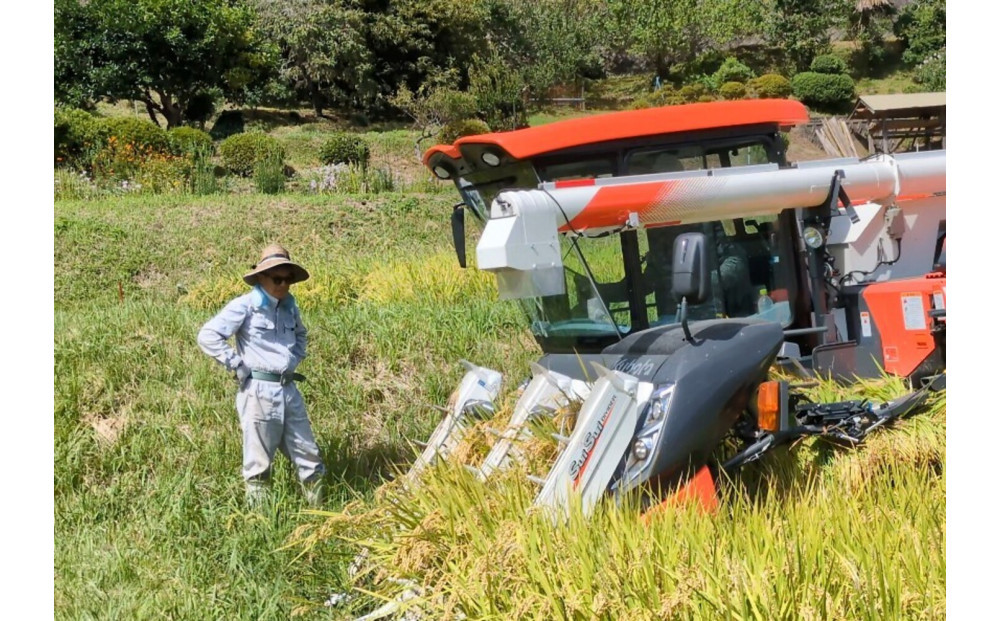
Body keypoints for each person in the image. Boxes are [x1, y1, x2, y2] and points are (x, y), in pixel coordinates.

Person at [197, 243, 326, 508]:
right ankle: (261, 523)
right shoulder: (244, 306)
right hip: (257, 391)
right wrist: (236, 363)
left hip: (289, 390)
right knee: (258, 462)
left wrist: (294, 359)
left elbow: (301, 335)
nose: (283, 285)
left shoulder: (290, 307)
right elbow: (208, 335)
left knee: (309, 455)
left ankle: (319, 514)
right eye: (276, 278)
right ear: (261, 278)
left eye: (287, 279)